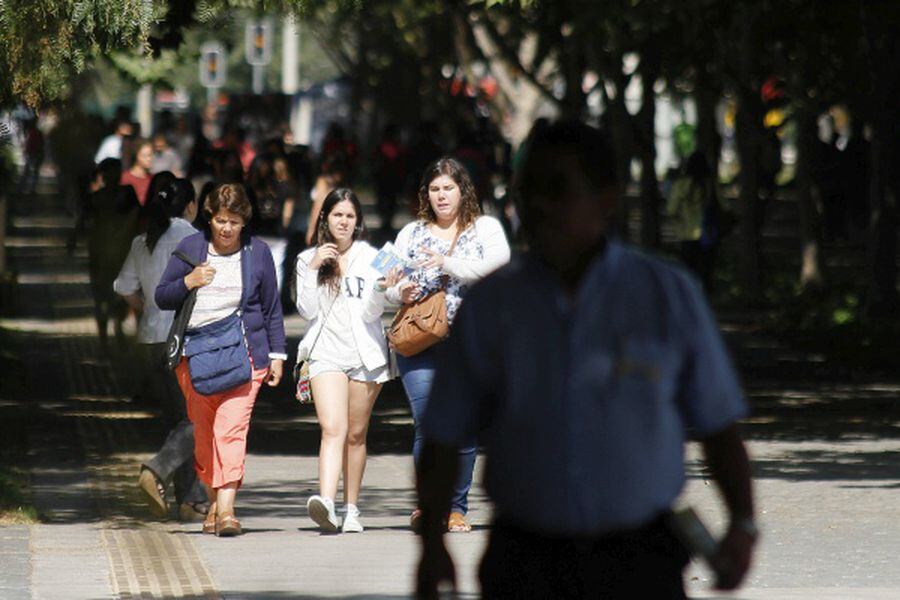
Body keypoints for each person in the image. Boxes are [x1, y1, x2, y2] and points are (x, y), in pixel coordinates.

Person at [416, 120, 757, 598]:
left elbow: (720, 426)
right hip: (526, 564)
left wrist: (743, 525)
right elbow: (444, 435)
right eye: (529, 189)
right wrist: (432, 545)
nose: (539, 204)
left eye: (558, 189)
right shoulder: (493, 306)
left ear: (606, 199)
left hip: (640, 563)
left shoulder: (664, 295)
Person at [155, 183, 287, 537]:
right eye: (221, 220)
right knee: (204, 435)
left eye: (235, 221)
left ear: (245, 221)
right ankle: (215, 502)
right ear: (209, 218)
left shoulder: (257, 253)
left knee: (231, 430)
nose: (227, 229)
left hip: (246, 355)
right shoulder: (190, 248)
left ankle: (227, 511)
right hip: (195, 356)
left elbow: (272, 308)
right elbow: (162, 296)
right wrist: (188, 280)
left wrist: (277, 355)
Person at [386, 157, 510, 533]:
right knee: (428, 423)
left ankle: (457, 507)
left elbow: (497, 267)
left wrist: (446, 262)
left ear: (463, 190)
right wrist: (397, 290)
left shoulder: (484, 228)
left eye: (448, 188)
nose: (441, 196)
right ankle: (428, 504)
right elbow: (386, 282)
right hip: (420, 339)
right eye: (435, 189)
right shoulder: (410, 233)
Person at [295, 188, 394, 533]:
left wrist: (385, 287)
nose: (344, 221)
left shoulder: (376, 256)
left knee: (355, 434)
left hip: (366, 356)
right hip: (325, 355)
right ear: (325, 218)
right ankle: (326, 502)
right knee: (332, 428)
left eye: (350, 216)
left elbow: (382, 303)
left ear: (358, 222)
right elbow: (306, 310)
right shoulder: (306, 258)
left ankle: (351, 508)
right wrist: (312, 268)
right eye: (337, 214)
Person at [113, 179, 208, 521]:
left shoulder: (143, 241)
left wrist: (146, 310)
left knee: (179, 421)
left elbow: (124, 287)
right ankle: (156, 469)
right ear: (191, 206)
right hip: (186, 339)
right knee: (198, 418)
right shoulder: (195, 240)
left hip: (151, 340)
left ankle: (190, 500)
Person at [84, 158, 140, 353]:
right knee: (101, 296)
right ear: (102, 175)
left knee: (118, 295)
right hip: (101, 254)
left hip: (119, 253)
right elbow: (83, 222)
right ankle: (104, 340)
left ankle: (115, 333)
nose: (112, 176)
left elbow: (137, 217)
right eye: (108, 172)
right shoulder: (95, 198)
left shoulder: (127, 193)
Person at [666, 151, 723, 290]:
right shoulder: (710, 185)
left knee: (688, 272)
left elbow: (671, 210)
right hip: (708, 234)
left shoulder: (681, 185)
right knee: (705, 271)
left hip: (686, 233)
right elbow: (723, 206)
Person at [121, 138, 154, 206]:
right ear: (137, 156)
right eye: (146, 156)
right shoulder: (125, 178)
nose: (149, 159)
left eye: (150, 155)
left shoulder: (153, 179)